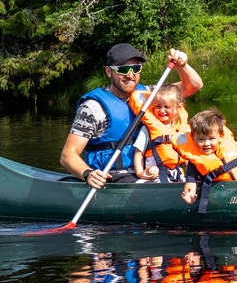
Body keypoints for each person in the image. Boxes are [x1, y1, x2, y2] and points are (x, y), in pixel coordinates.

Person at [60, 42, 204, 190]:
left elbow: (193, 86)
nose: (130, 75)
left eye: (135, 68)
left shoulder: (151, 95)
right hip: (113, 175)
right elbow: (68, 155)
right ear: (109, 71)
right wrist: (88, 174)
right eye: (123, 70)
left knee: (203, 177)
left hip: (150, 170)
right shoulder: (93, 107)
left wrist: (182, 66)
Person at [179, 107, 237, 205]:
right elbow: (191, 180)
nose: (206, 144)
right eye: (201, 139)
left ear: (221, 137)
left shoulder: (232, 146)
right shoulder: (195, 159)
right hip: (217, 194)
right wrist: (189, 194)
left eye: (211, 139)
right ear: (193, 138)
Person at [132, 83, 190, 183]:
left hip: (177, 172)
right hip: (155, 174)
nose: (162, 111)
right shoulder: (147, 129)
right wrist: (140, 172)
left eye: (166, 107)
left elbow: (186, 155)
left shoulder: (181, 129)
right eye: (158, 107)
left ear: (178, 108)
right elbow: (139, 153)